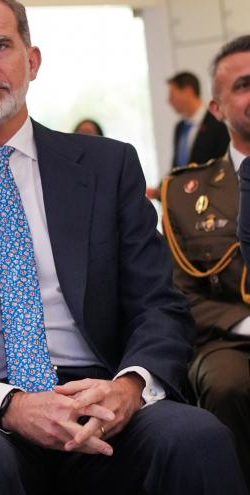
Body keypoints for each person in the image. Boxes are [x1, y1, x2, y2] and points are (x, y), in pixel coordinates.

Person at [0, 1, 247, 494]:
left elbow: (159, 306)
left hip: (101, 398)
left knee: (197, 436)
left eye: (0, 45)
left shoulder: (107, 167)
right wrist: (12, 405)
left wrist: (129, 388)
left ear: (33, 60)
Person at [176, 35, 250, 491]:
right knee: (228, 384)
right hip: (230, 339)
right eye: (244, 85)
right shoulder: (186, 197)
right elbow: (180, 294)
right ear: (218, 109)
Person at [168, 71, 230, 169]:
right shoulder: (179, 127)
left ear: (188, 91)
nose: (169, 100)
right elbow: (176, 168)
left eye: (172, 94)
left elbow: (224, 165)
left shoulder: (218, 123)